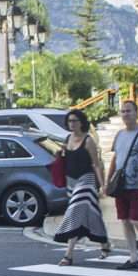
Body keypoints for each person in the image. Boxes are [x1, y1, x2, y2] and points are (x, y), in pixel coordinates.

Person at [105, 100, 138, 269]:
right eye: (122, 111)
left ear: (136, 113)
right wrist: (108, 181)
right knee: (125, 221)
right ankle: (134, 257)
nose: (125, 114)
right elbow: (115, 159)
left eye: (128, 111)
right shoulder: (120, 135)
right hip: (121, 186)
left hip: (137, 185)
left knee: (135, 219)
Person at [53, 109, 110, 265]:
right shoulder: (67, 139)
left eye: (75, 121)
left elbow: (97, 165)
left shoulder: (88, 140)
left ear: (81, 122)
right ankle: (105, 244)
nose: (72, 123)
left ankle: (68, 255)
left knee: (74, 212)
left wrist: (103, 184)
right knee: (91, 214)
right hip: (71, 182)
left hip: (87, 180)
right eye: (70, 121)